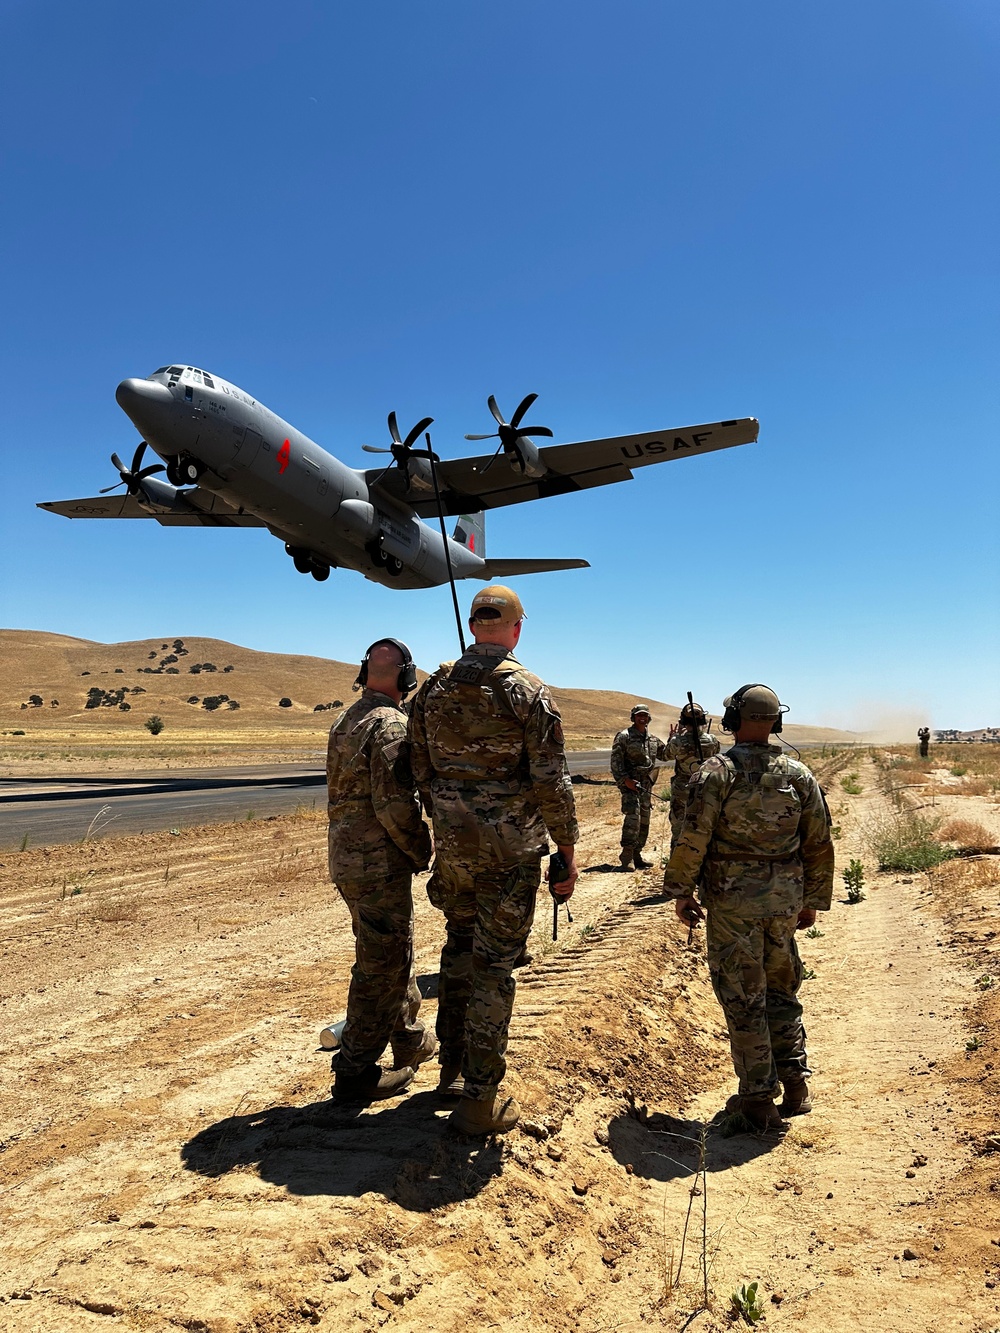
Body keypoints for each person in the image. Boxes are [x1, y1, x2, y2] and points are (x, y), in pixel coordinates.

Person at [408, 585, 579, 1135]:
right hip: (510, 853)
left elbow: (416, 766)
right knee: (495, 966)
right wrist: (567, 851)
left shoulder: (432, 688)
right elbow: (550, 780)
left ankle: (452, 1070)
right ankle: (479, 1099)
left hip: (454, 849)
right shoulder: (528, 691)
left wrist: (449, 812)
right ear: (516, 629)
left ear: (474, 625)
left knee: (459, 948)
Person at [662, 684, 834, 1131]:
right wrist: (812, 900)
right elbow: (819, 843)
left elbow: (693, 836)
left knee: (743, 996)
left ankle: (758, 1099)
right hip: (784, 901)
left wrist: (682, 890)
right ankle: (796, 1084)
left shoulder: (715, 772)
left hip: (734, 903)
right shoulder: (799, 774)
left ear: (734, 721)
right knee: (781, 989)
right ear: (776, 723)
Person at [326, 639, 434, 1104]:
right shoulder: (390, 725)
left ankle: (410, 1039)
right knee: (380, 966)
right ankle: (354, 1071)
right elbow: (394, 805)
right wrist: (420, 848)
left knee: (390, 953)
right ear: (407, 677)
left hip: (348, 859)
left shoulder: (346, 718)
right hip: (377, 862)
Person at [611, 704, 669, 869]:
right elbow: (615, 762)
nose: (642, 718)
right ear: (633, 717)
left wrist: (673, 740)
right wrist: (625, 781)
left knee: (644, 820)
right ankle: (626, 856)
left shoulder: (652, 740)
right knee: (632, 818)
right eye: (638, 715)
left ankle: (637, 855)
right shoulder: (624, 736)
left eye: (644, 715)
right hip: (631, 784)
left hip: (646, 785)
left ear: (648, 718)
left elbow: (665, 755)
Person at [664, 698, 721, 849]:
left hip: (682, 790)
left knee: (679, 829)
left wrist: (672, 738)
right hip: (705, 789)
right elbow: (716, 754)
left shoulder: (678, 741)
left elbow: (667, 755)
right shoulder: (712, 740)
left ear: (683, 720)